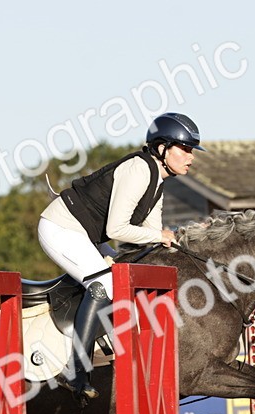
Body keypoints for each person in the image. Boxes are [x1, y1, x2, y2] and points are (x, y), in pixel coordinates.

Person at [37, 112, 203, 399]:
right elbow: (118, 228)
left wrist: (178, 240)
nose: (191, 157)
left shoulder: (158, 182)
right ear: (162, 149)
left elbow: (151, 234)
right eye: (185, 149)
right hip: (60, 227)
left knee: (129, 276)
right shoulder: (139, 169)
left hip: (85, 235)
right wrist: (159, 235)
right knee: (104, 285)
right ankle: (75, 370)